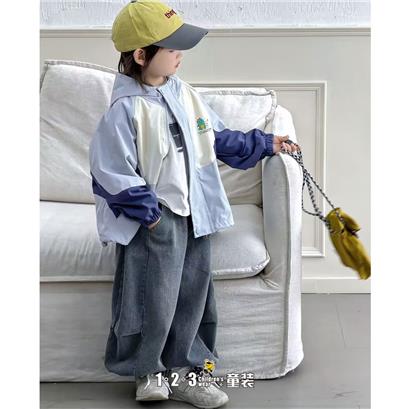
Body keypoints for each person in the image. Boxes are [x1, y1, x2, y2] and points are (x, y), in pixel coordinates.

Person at [88, 1, 300, 408]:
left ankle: (187, 372)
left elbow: (216, 137)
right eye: (172, 48)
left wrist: (265, 143)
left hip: (195, 215)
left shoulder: (183, 94)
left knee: (193, 294)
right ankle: (147, 370)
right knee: (150, 296)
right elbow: (110, 171)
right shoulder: (124, 109)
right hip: (155, 219)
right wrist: (150, 216)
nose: (180, 55)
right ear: (141, 55)